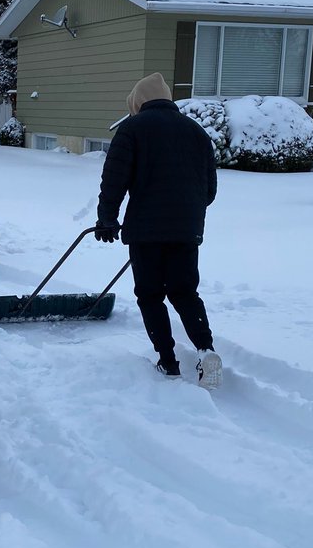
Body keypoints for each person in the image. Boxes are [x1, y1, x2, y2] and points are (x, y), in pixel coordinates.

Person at [95, 72, 222, 389]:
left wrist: (107, 218)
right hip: (187, 229)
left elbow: (115, 179)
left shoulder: (133, 128)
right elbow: (209, 190)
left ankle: (168, 361)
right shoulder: (196, 131)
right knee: (185, 292)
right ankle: (206, 351)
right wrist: (185, 212)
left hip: (146, 230)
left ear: (139, 101)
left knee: (150, 294)